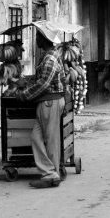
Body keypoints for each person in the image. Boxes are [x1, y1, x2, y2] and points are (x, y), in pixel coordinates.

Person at [18, 31, 66, 188]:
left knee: (50, 140)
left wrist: (24, 94)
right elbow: (49, 78)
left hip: (49, 102)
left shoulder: (50, 58)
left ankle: (51, 175)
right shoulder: (49, 56)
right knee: (36, 138)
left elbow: (44, 84)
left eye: (38, 37)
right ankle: (51, 172)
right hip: (48, 102)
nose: (36, 39)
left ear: (44, 40)